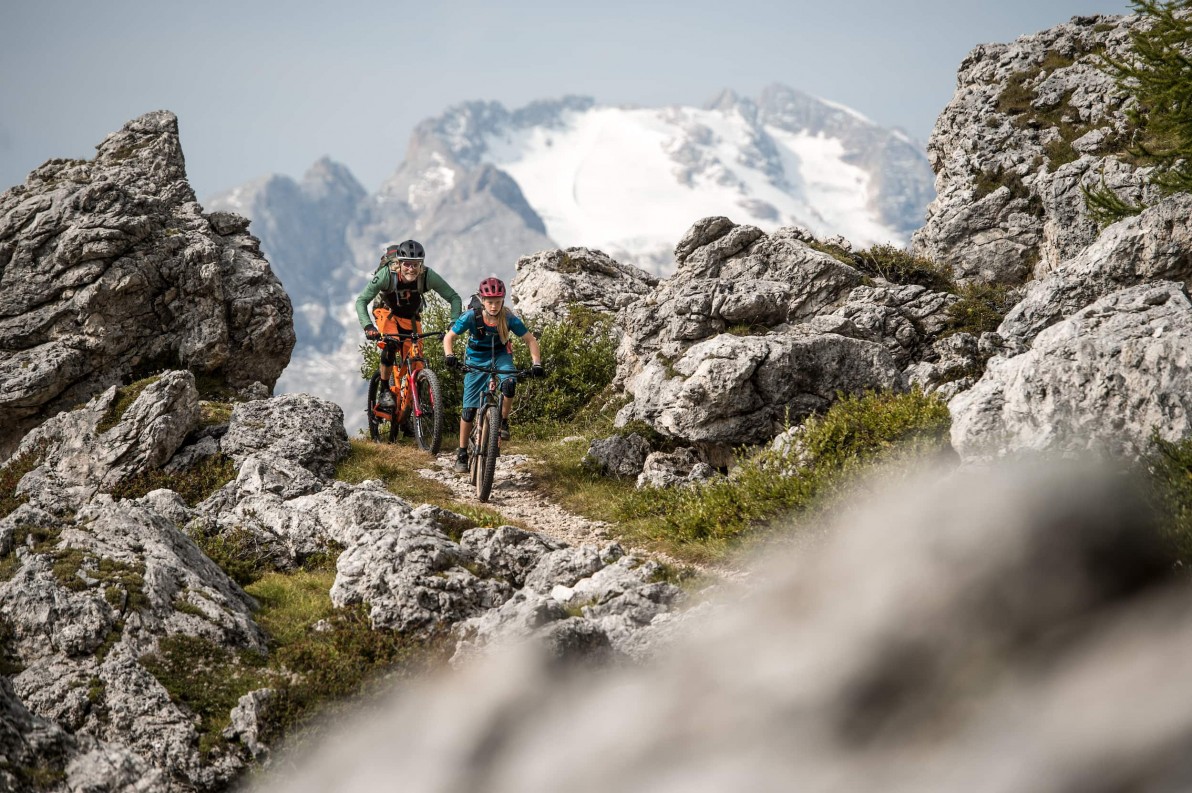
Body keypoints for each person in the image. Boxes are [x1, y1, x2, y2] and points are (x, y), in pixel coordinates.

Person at [442, 276, 544, 473]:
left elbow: (531, 340)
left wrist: (536, 363)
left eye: (498, 302)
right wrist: (450, 355)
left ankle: (503, 422)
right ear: (482, 300)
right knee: (468, 411)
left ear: (503, 301)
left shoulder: (508, 317)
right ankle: (462, 452)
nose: (494, 306)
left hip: (501, 355)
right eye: (490, 302)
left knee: (509, 384)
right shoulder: (471, 316)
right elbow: (450, 337)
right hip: (476, 358)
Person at [356, 239, 463, 415]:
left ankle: (409, 411)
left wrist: (454, 323)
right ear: (398, 263)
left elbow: (454, 297)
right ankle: (384, 391)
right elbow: (361, 301)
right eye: (407, 264)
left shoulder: (427, 276)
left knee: (417, 362)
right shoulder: (386, 275)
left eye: (415, 265)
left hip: (411, 318)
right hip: (386, 313)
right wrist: (368, 326)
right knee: (391, 343)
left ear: (421, 265)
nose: (411, 269)